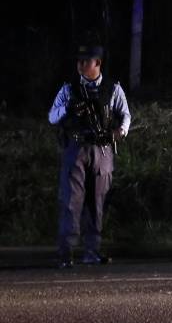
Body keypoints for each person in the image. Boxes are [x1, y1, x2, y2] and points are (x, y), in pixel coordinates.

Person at [48, 43, 131, 269]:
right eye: (79, 61)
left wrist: (119, 132)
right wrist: (69, 109)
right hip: (75, 149)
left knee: (97, 201)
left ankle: (91, 251)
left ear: (98, 63)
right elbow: (52, 117)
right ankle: (66, 253)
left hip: (102, 149)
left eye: (86, 61)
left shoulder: (113, 89)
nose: (81, 65)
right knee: (71, 201)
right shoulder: (69, 89)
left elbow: (125, 115)